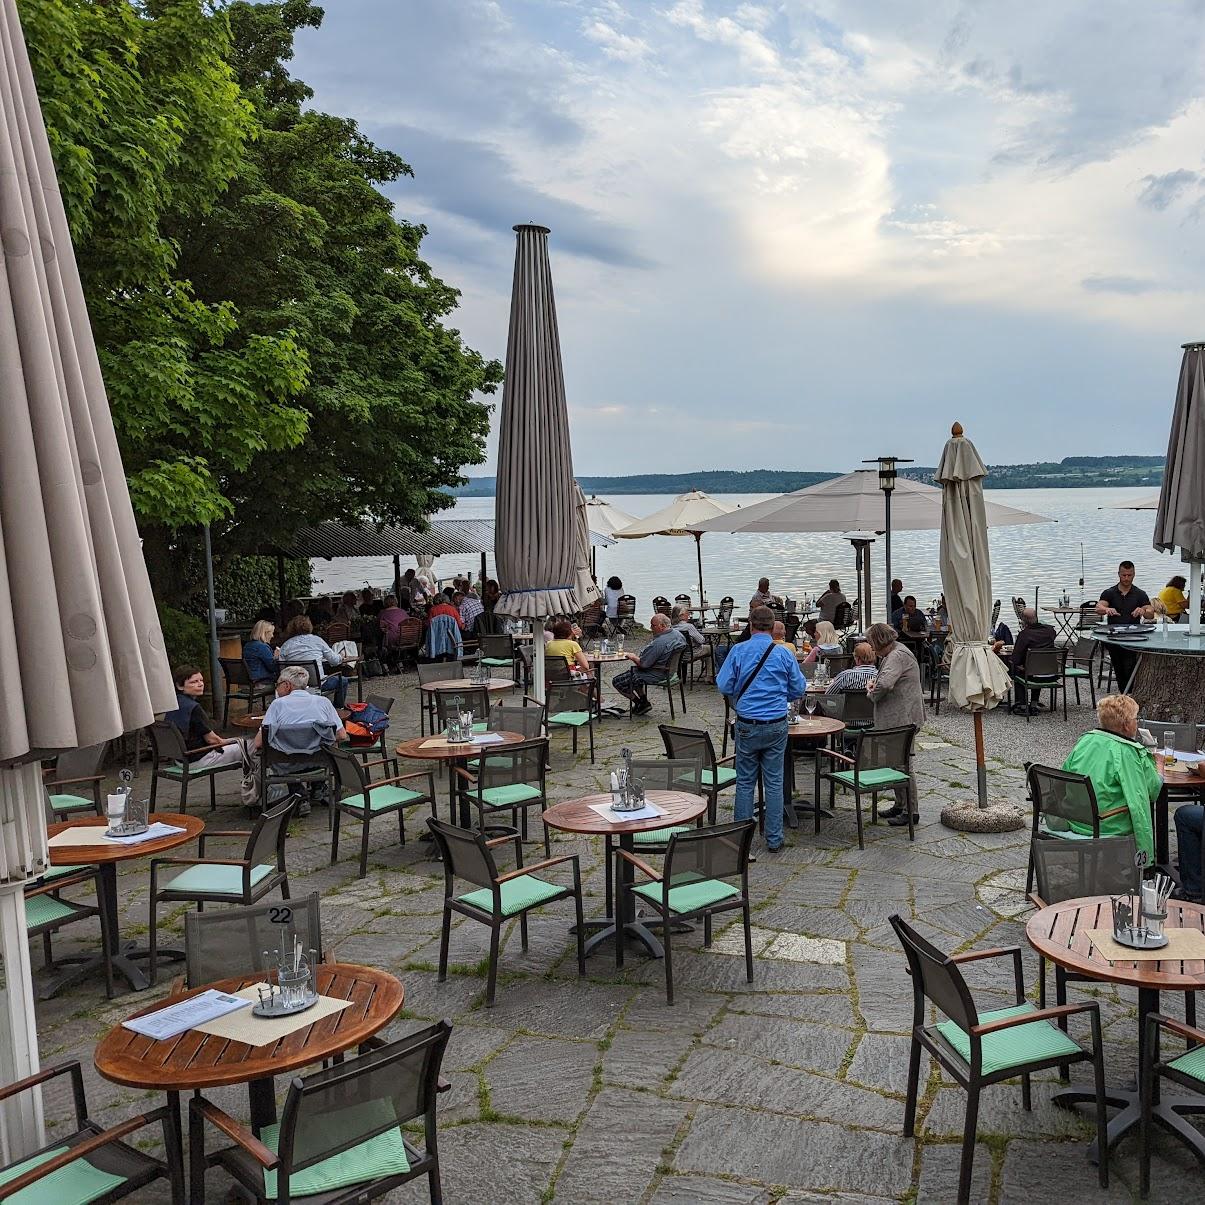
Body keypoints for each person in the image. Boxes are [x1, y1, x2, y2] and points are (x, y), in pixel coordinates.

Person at [716, 606, 806, 853]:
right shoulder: (783, 654)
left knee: (745, 781)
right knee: (774, 782)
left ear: (751, 625)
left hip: (747, 723)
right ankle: (775, 839)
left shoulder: (739, 651)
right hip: (776, 723)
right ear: (773, 626)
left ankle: (740, 840)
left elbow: (723, 684)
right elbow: (798, 688)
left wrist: (740, 695)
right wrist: (779, 695)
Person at [1060, 694, 1159, 863]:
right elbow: (1152, 791)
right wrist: (1160, 767)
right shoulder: (1128, 752)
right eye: (1136, 718)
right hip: (1105, 823)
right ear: (1127, 725)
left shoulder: (1086, 740)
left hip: (1076, 819)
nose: (1138, 722)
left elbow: (1064, 775)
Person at [865, 623, 926, 826]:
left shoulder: (897, 656)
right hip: (900, 718)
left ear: (879, 641)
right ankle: (900, 804)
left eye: (872, 643)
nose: (871, 648)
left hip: (902, 719)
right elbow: (886, 680)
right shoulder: (895, 653)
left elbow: (885, 683)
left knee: (903, 764)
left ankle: (911, 811)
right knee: (896, 762)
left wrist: (871, 693)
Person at [163, 665, 248, 767]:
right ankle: (257, 781)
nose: (200, 684)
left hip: (180, 759)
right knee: (253, 746)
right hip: (198, 759)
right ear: (179, 686)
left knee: (245, 743)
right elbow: (213, 741)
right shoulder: (194, 708)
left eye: (201, 680)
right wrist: (236, 741)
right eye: (194, 682)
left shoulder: (174, 704)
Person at [612, 614, 686, 714]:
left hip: (657, 674)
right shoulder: (678, 635)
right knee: (633, 673)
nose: (651, 628)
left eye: (653, 626)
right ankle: (644, 701)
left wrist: (633, 657)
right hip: (671, 671)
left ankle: (639, 703)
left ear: (662, 626)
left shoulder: (659, 643)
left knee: (617, 681)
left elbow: (643, 664)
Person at [1095, 560, 1152, 689]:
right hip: (1114, 638)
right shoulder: (1109, 592)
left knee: (1129, 665)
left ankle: (1128, 693)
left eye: (1129, 575)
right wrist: (1106, 610)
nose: (1126, 578)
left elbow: (1151, 613)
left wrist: (1143, 611)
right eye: (1123, 575)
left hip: (1134, 638)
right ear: (1119, 574)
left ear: (1134, 574)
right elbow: (1098, 607)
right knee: (1119, 666)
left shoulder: (1140, 594)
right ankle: (1125, 693)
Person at [277, 615, 351, 708]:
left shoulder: (286, 645)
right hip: (317, 683)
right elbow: (335, 661)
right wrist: (341, 656)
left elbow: (282, 668)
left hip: (294, 685)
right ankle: (338, 709)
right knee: (343, 680)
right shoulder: (317, 640)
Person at [994, 606, 1056, 715]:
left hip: (1032, 675)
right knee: (1036, 668)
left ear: (1023, 621)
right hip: (1051, 673)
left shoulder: (1025, 635)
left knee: (1017, 669)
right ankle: (1034, 703)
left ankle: (1022, 705)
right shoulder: (1050, 631)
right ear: (1037, 617)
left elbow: (1015, 659)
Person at [242, 620, 278, 688]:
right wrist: (276, 656)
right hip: (261, 682)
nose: (272, 636)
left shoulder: (247, 645)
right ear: (265, 633)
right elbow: (273, 667)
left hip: (248, 682)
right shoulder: (262, 647)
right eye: (272, 633)